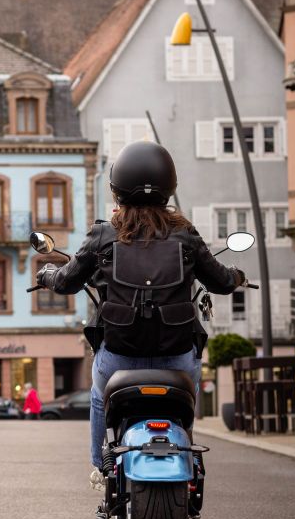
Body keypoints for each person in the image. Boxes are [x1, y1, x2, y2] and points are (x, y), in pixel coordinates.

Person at [34, 141, 245, 491]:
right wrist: (237, 275)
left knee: (100, 397)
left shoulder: (103, 234)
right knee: (184, 401)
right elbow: (221, 281)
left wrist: (46, 276)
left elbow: (68, 281)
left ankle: (100, 467)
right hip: (177, 358)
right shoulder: (185, 234)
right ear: (169, 186)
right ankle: (187, 456)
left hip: (119, 356)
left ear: (117, 189)